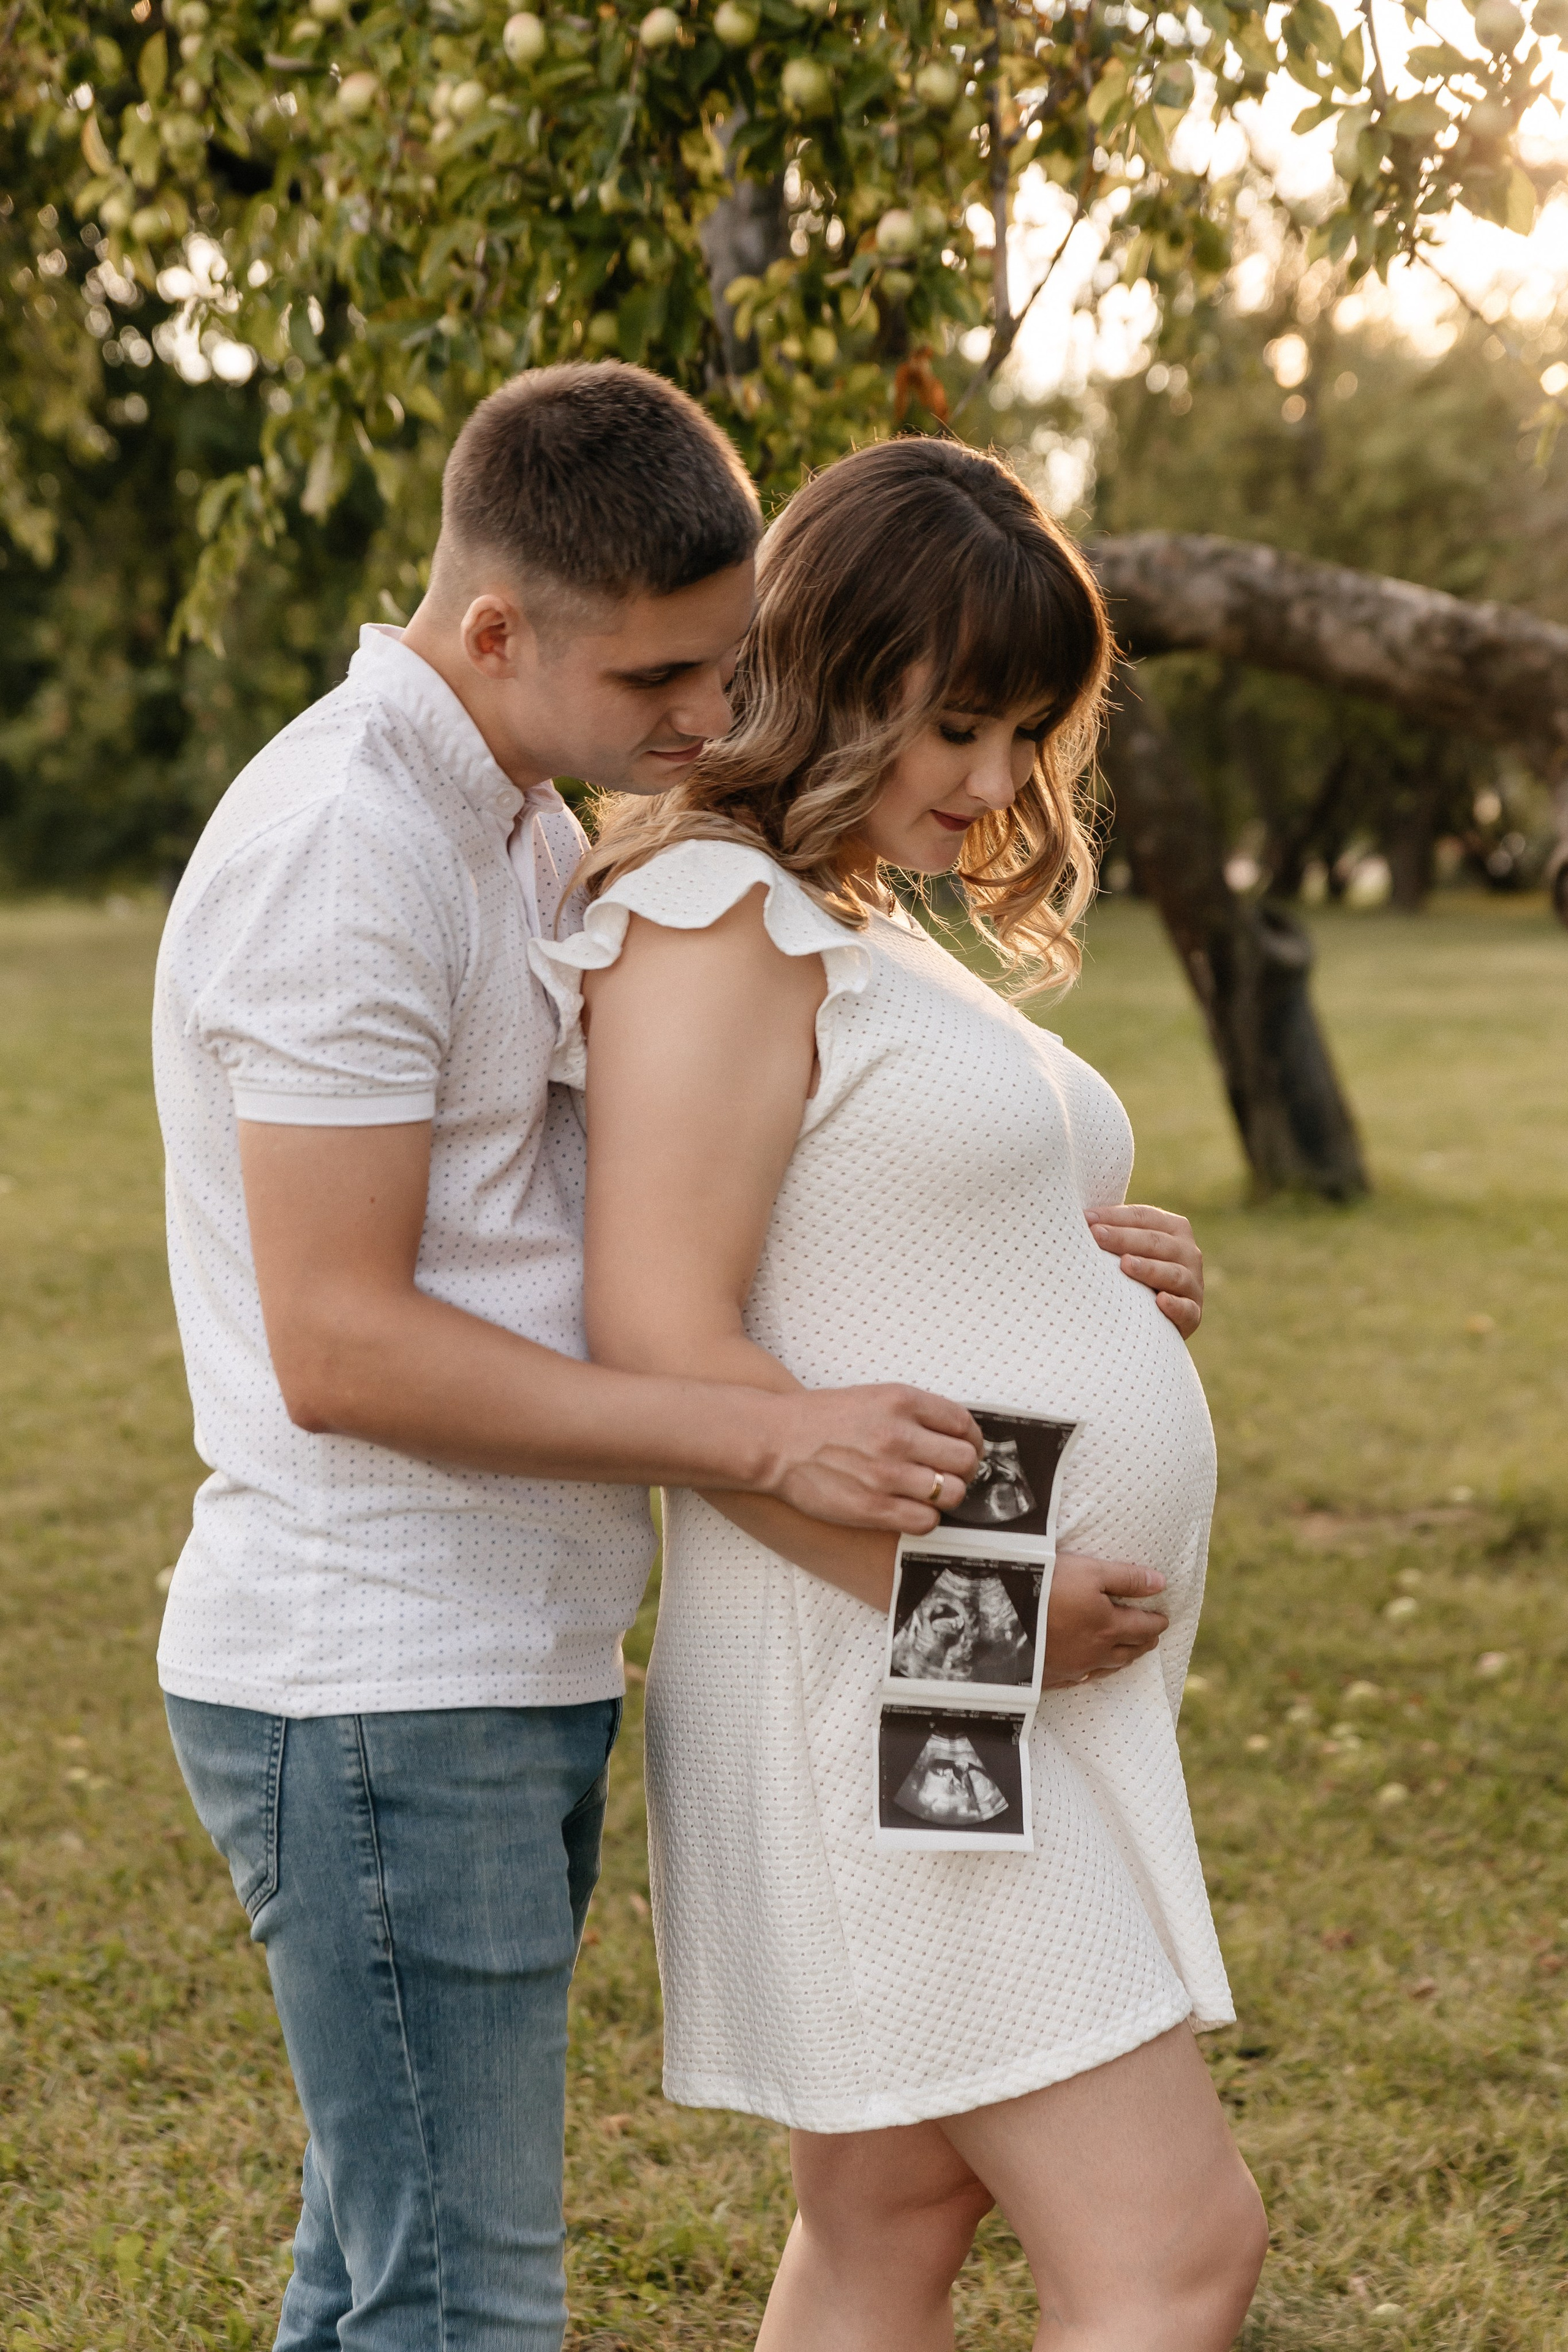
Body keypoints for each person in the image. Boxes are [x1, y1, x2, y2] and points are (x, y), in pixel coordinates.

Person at [151, 364, 988, 2352]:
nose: (705, 726)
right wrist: (760, 1445)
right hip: (373, 1681)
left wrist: (1036, 1241)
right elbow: (340, 1345)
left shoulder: (515, 812)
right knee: (463, 2308)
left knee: (376, 2284)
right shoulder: (346, 846)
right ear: (496, 630)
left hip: (489, 1667)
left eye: (729, 671)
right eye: (662, 684)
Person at [532, 436, 1269, 2350]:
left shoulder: (839, 910)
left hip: (948, 1660)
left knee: (891, 2216)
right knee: (1173, 2251)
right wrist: (991, 1615)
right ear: (831, 663)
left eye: (1026, 732)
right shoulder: (712, 918)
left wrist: (1077, 1243)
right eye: (959, 722)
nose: (1000, 781)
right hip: (905, 1674)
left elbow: (864, 1225)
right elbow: (671, 1354)